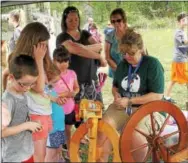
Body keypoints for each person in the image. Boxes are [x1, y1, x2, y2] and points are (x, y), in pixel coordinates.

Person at [97, 28, 165, 162]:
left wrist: (129, 101)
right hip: (123, 107)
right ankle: (101, 160)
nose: (127, 57)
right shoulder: (123, 65)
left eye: (131, 53)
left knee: (134, 132)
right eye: (124, 53)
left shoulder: (152, 64)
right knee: (104, 125)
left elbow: (157, 96)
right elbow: (115, 86)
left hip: (148, 109)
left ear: (141, 49)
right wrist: (116, 94)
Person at [2, 22, 55, 162]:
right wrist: (7, 91)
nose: (45, 48)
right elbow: (39, 88)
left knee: (36, 152)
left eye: (46, 44)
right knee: (39, 154)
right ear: (32, 42)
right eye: (42, 44)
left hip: (41, 113)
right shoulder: (22, 60)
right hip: (33, 114)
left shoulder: (40, 59)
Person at [56, 6, 106, 107]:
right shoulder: (62, 37)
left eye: (76, 19)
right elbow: (78, 51)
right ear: (64, 21)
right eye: (70, 20)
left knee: (96, 112)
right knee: (78, 115)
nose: (74, 22)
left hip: (92, 80)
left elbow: (99, 46)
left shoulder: (85, 33)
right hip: (74, 84)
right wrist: (98, 56)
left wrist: (82, 48)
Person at [2, 55, 42, 162]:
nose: (28, 88)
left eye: (32, 84)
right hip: (13, 157)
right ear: (11, 78)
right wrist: (27, 125)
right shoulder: (7, 101)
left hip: (26, 152)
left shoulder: (21, 92)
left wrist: (31, 124)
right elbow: (1, 132)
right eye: (24, 84)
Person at [52, 46, 79, 154]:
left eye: (66, 62)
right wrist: (65, 94)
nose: (63, 64)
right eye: (60, 62)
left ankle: (69, 151)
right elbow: (48, 94)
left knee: (67, 131)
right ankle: (56, 154)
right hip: (56, 110)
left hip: (69, 109)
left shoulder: (72, 73)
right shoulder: (51, 76)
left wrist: (75, 92)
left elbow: (77, 87)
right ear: (54, 61)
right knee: (57, 132)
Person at [164, 12, 188, 103]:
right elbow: (185, 42)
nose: (186, 22)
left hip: (180, 59)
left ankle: (166, 97)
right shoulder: (178, 33)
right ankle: (166, 97)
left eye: (187, 19)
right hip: (180, 60)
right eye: (183, 20)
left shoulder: (183, 31)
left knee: (174, 79)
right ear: (178, 22)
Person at [45, 67, 66, 162]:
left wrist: (60, 101)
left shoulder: (50, 88)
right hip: (52, 129)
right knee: (50, 154)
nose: (55, 84)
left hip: (59, 126)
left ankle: (59, 159)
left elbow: (55, 101)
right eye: (54, 81)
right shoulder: (43, 91)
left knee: (58, 150)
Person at [105, 8, 128, 78]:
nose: (116, 23)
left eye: (118, 20)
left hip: (133, 72)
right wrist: (119, 72)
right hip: (116, 73)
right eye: (113, 21)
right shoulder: (109, 35)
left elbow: (141, 54)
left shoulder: (132, 34)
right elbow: (108, 57)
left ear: (124, 20)